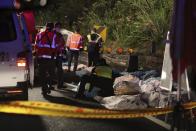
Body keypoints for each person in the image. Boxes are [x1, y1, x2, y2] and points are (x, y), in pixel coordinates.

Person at [34, 22, 57, 95]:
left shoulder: (39, 34)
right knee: (51, 73)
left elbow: (36, 46)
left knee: (42, 74)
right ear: (53, 28)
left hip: (41, 58)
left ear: (46, 27)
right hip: (50, 58)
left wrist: (37, 55)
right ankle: (49, 86)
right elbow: (55, 47)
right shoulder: (54, 35)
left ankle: (44, 89)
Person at [54, 22, 65, 88]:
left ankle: (60, 84)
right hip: (54, 55)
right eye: (58, 27)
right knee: (53, 70)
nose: (59, 28)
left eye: (60, 27)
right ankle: (50, 85)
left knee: (60, 70)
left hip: (58, 54)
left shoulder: (60, 35)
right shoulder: (53, 34)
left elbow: (63, 43)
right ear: (55, 27)